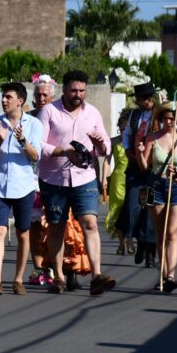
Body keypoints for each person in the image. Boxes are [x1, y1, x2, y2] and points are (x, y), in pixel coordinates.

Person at [37, 70, 115, 296]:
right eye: (73, 90)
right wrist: (63, 152)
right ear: (64, 89)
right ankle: (59, 277)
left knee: (90, 222)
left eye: (82, 90)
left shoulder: (93, 113)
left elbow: (106, 146)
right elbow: (38, 144)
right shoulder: (49, 112)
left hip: (85, 177)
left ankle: (97, 275)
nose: (78, 95)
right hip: (54, 179)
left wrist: (100, 145)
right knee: (57, 226)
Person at [0, 82, 42, 296]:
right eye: (3, 97)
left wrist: (22, 140)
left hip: (24, 186)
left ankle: (18, 278)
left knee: (23, 233)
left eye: (8, 97)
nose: (4, 100)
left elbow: (36, 157)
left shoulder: (33, 124)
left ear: (20, 101)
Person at [137, 102, 177, 292]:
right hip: (156, 185)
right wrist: (139, 152)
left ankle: (171, 276)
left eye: (173, 118)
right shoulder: (152, 138)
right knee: (161, 234)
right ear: (161, 119)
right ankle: (162, 274)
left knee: (172, 232)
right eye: (167, 118)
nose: (170, 121)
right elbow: (145, 168)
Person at [116, 82, 158, 268]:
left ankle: (149, 250)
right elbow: (127, 135)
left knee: (149, 209)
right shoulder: (134, 115)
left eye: (150, 97)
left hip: (153, 169)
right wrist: (127, 149)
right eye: (143, 98)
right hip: (135, 167)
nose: (147, 101)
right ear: (138, 100)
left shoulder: (161, 115)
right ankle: (139, 239)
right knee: (133, 206)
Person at [27, 74, 55, 286]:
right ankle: (38, 268)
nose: (42, 98)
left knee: (54, 225)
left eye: (45, 94)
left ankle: (55, 265)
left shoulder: (59, 117)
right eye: (39, 94)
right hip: (34, 178)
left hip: (56, 178)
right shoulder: (28, 118)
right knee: (34, 226)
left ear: (52, 96)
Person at [104, 108, 132, 253]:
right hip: (117, 180)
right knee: (117, 211)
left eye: (125, 129)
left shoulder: (134, 142)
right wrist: (104, 179)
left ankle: (129, 239)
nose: (122, 132)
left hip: (132, 179)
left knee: (130, 210)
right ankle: (121, 243)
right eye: (120, 129)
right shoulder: (113, 141)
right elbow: (107, 161)